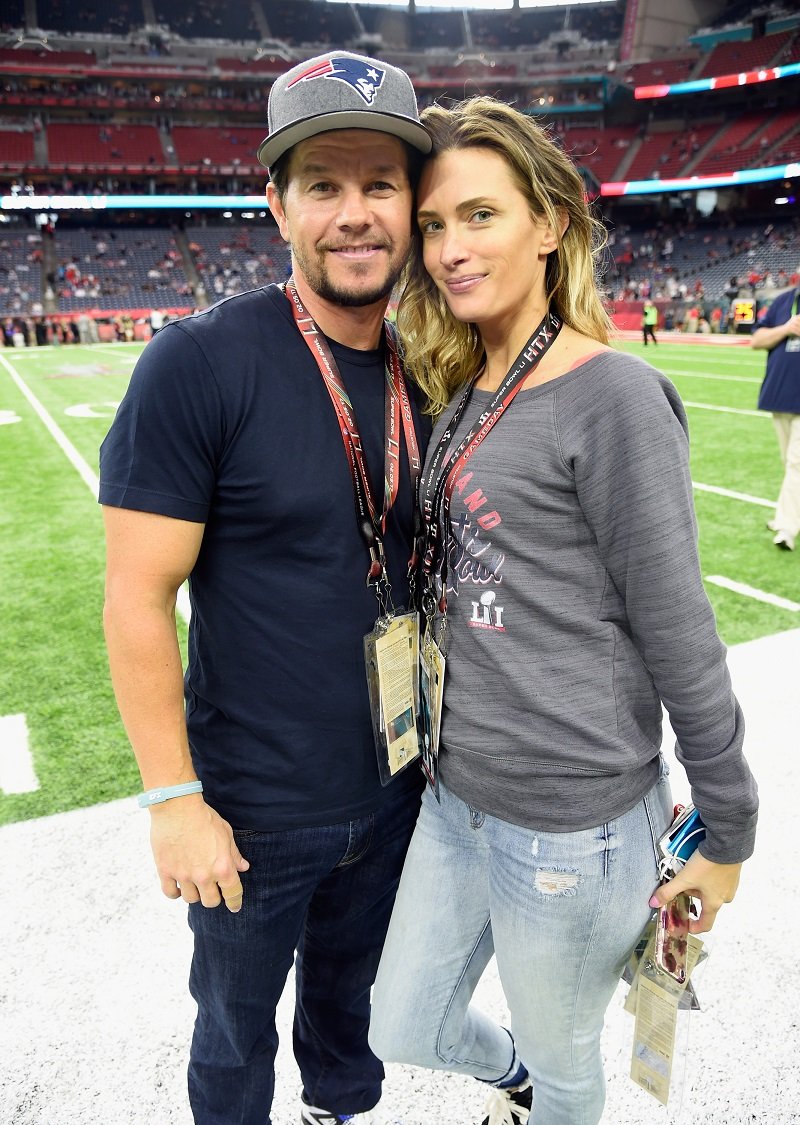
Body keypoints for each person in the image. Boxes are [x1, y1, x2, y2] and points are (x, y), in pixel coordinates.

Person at [368, 97, 758, 1125]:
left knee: (567, 1058)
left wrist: (726, 828)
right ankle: (516, 1091)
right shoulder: (464, 386)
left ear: (548, 225)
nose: (450, 249)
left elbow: (678, 626)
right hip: (456, 797)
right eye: (436, 226)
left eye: (480, 216)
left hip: (571, 822)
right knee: (399, 1023)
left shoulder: (613, 394)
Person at [99, 50, 431, 1125]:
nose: (353, 214)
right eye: (323, 185)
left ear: (411, 203)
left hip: (396, 781)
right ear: (275, 201)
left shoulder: (431, 368)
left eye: (379, 184)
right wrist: (173, 801)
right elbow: (137, 596)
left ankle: (340, 1111)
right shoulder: (197, 362)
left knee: (349, 1011)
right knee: (232, 1034)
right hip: (250, 810)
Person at [751, 284, 800, 551]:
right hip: (781, 396)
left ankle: (786, 527)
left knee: (796, 464)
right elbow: (756, 341)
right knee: (789, 463)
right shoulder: (784, 301)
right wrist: (787, 328)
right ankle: (789, 514)